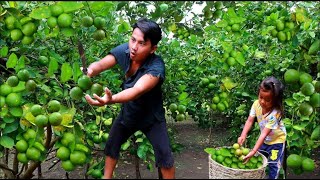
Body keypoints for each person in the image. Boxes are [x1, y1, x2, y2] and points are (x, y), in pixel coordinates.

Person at [84, 18, 175, 179]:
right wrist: (89, 71)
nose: (134, 47)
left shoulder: (156, 66)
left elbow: (136, 90)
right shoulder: (126, 51)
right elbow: (101, 64)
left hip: (151, 117)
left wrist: (110, 100)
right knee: (112, 145)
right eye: (133, 40)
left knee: (164, 156)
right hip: (130, 113)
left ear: (153, 48)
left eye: (141, 43)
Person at [237, 76, 286, 179]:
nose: (263, 101)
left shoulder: (275, 114)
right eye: (261, 97)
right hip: (265, 141)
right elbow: (250, 120)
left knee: (273, 165)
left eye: (268, 100)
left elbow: (264, 133)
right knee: (259, 161)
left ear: (275, 100)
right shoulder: (256, 104)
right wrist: (243, 135)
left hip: (276, 143)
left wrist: (254, 150)